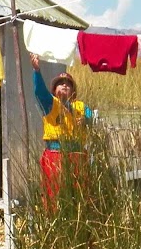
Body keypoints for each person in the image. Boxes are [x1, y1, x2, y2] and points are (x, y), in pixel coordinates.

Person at [30, 55, 93, 198]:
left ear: (73, 91)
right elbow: (39, 92)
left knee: (78, 193)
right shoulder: (50, 103)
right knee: (54, 194)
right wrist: (37, 71)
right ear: (54, 89)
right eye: (61, 83)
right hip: (55, 156)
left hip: (77, 156)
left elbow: (93, 119)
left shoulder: (80, 106)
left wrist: (85, 120)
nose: (65, 85)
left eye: (68, 84)